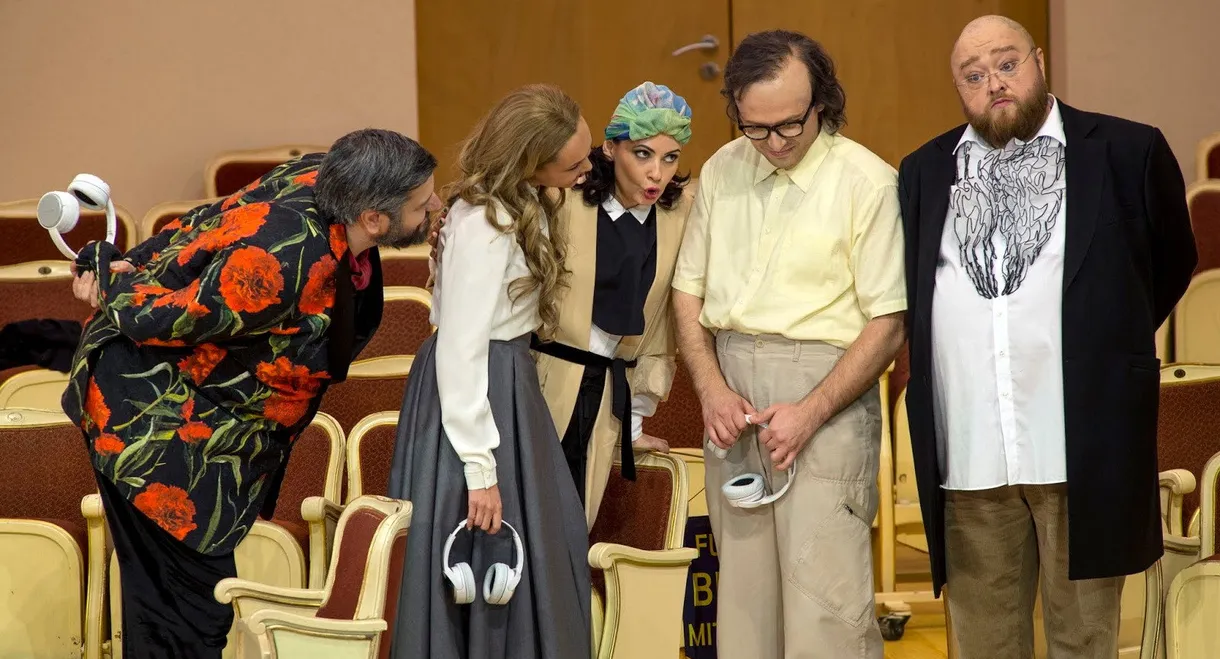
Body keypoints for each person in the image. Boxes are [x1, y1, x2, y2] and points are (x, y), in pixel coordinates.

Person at [61, 128, 441, 658]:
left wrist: (131, 264)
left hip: (212, 425)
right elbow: (156, 317)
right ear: (372, 218)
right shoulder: (286, 263)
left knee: (183, 615)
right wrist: (111, 282)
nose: (435, 207)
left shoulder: (324, 174)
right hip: (157, 434)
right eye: (423, 204)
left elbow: (204, 223)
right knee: (186, 621)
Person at [897, 15, 1197, 659]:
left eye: (1006, 65)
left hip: (1079, 444)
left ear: (1038, 60)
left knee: (1084, 637)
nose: (993, 84)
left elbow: (1168, 266)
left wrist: (1100, 339)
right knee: (982, 640)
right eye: (972, 77)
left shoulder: (1126, 151)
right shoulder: (924, 171)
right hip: (971, 449)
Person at [672, 29, 906, 659]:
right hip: (734, 393)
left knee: (823, 608)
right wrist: (712, 389)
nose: (774, 143)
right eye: (756, 128)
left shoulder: (868, 182)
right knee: (744, 608)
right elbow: (687, 295)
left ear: (821, 103)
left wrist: (811, 411)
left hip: (826, 392)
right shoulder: (724, 168)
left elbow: (888, 323)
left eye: (789, 126)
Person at [386, 83, 594, 659]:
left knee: (551, 541)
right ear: (531, 160)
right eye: (572, 163)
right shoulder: (485, 221)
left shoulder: (520, 203)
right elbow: (460, 347)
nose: (584, 171)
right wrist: (481, 469)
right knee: (480, 554)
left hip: (509, 384)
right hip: (479, 392)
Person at [527, 80, 692, 526]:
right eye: (642, 154)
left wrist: (634, 423)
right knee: (529, 519)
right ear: (610, 149)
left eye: (670, 157)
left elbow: (658, 330)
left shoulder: (679, 217)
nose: (658, 173)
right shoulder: (562, 201)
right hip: (541, 385)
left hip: (606, 399)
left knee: (573, 523)